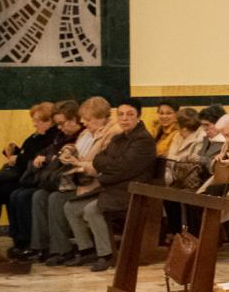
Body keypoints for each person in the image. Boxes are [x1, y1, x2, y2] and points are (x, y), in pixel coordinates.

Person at [78, 98, 157, 271]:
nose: (124, 119)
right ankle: (87, 251)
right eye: (120, 114)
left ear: (138, 116)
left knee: (92, 209)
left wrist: (104, 174)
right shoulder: (120, 138)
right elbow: (99, 158)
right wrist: (108, 167)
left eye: (130, 114)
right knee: (71, 208)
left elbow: (123, 169)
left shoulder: (143, 141)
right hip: (115, 187)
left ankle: (106, 255)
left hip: (133, 192)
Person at [47, 96, 119, 266]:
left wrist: (77, 163)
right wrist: (68, 150)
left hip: (97, 185)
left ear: (101, 117)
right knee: (60, 202)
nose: (84, 123)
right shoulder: (89, 132)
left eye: (88, 119)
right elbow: (77, 146)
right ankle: (84, 250)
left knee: (66, 203)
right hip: (82, 181)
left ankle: (101, 253)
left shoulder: (112, 133)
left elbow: (100, 162)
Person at [0, 102, 56, 258]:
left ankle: (22, 239)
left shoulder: (51, 138)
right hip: (23, 176)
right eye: (34, 119)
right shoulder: (34, 137)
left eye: (38, 120)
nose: (34, 123)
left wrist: (18, 159)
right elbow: (27, 154)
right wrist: (14, 152)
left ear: (50, 121)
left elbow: (35, 161)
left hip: (31, 179)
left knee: (15, 194)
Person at [11, 101, 77, 261]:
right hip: (56, 180)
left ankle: (61, 249)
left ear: (74, 120)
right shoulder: (61, 136)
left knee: (51, 197)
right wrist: (47, 157)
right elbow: (47, 152)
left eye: (61, 123)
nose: (59, 127)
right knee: (37, 195)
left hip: (73, 183)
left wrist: (48, 158)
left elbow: (62, 158)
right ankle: (40, 246)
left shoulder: (78, 137)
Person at [160, 107, 207, 236]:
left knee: (182, 196)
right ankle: (174, 232)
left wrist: (176, 160)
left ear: (184, 128)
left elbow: (192, 162)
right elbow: (171, 156)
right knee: (167, 194)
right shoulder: (178, 137)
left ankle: (190, 235)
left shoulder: (201, 139)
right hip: (178, 177)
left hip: (193, 180)